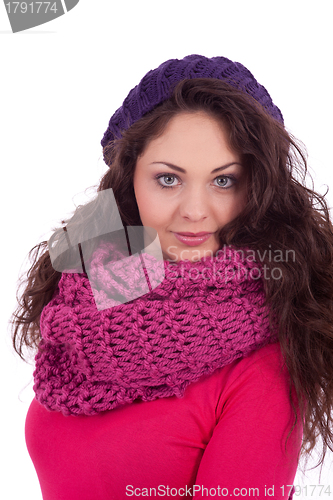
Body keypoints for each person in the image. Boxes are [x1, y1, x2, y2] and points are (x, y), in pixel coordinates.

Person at [10, 54, 333, 499]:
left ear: (257, 190)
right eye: (168, 179)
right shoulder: (80, 306)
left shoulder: (265, 367)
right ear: (129, 181)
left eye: (224, 181)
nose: (196, 211)